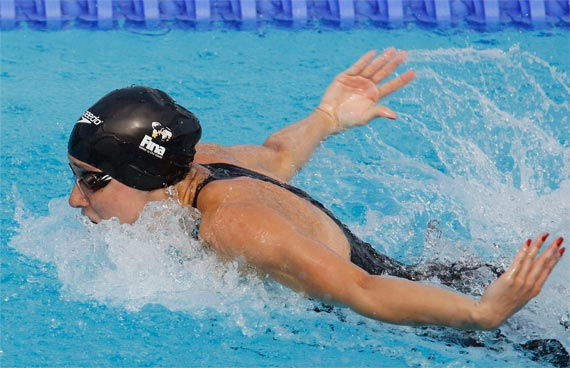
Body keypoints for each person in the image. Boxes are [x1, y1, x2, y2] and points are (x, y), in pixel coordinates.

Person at [67, 48, 565, 331]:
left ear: (145, 176)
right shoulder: (202, 163)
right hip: (442, 280)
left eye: (92, 181)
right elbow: (279, 155)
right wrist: (326, 118)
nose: (75, 199)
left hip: (448, 318)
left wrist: (483, 313)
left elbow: (360, 289)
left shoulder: (234, 225)